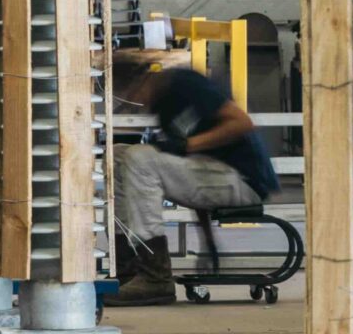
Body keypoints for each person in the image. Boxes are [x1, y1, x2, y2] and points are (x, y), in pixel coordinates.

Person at [111, 57, 279, 307]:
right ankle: (129, 270)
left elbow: (241, 122)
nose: (137, 103)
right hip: (214, 177)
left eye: (132, 94)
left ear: (141, 80)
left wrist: (186, 145)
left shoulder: (184, 84)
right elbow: (192, 181)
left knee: (139, 157)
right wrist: (208, 240)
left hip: (243, 179)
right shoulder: (163, 107)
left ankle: (155, 278)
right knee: (118, 154)